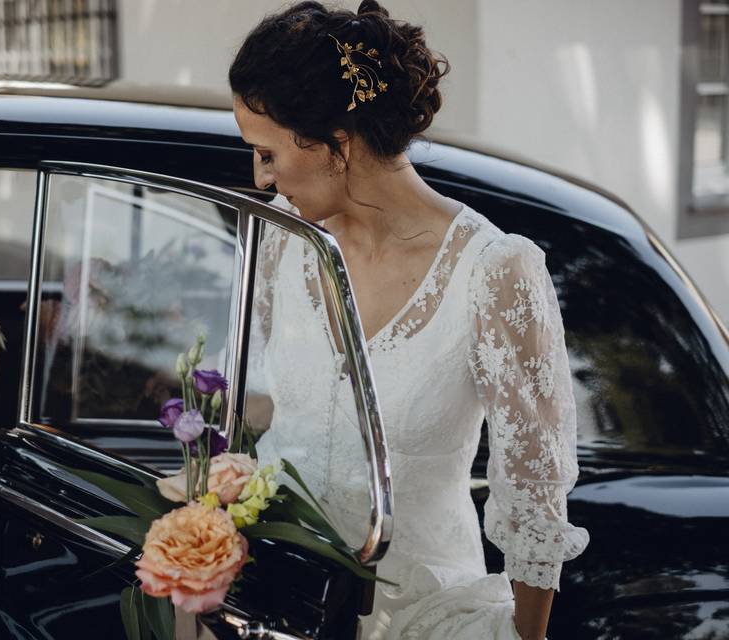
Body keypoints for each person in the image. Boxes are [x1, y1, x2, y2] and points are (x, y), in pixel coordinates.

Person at [228, 2, 590, 639]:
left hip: (423, 620)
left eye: (266, 153)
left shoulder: (494, 272)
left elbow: (533, 495)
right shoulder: (284, 242)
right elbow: (260, 409)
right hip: (275, 607)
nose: (261, 179)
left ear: (335, 144)